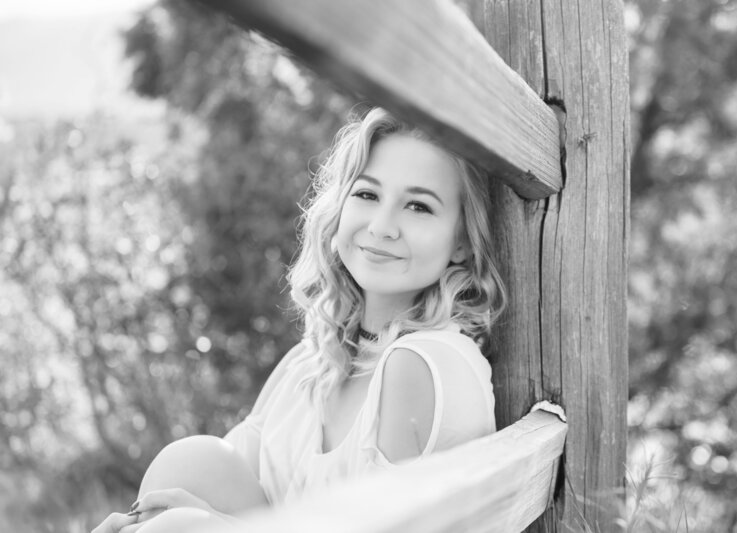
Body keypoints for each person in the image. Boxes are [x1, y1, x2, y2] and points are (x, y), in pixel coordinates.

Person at [92, 107, 507, 533]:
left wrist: (213, 526)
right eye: (367, 195)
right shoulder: (309, 364)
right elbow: (208, 478)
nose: (382, 227)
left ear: (461, 241)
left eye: (418, 206)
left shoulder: (419, 364)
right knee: (190, 468)